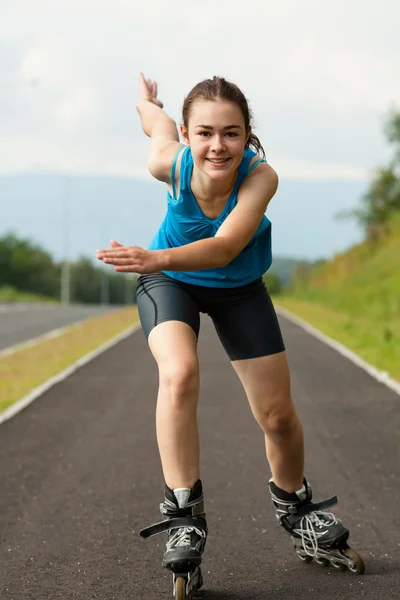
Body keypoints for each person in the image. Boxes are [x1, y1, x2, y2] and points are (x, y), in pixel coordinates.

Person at [96, 73, 363, 589]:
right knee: (179, 374)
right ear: (188, 133)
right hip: (169, 281)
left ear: (247, 135)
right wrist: (145, 103)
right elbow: (155, 127)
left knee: (278, 415)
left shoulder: (261, 178)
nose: (218, 146)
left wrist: (154, 253)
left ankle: (297, 508)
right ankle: (184, 516)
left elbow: (223, 248)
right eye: (205, 133)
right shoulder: (168, 164)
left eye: (232, 133)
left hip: (237, 286)